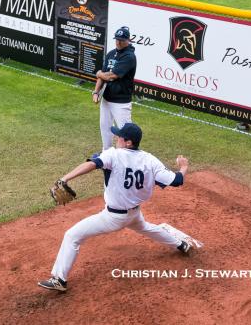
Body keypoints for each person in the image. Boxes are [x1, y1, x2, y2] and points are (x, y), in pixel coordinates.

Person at [38, 123, 191, 292]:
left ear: (128, 142)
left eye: (120, 137)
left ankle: (59, 279)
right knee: (146, 227)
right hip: (134, 214)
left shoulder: (114, 154)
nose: (116, 138)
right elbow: (177, 181)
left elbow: (92, 164)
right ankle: (180, 244)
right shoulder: (150, 159)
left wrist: (65, 178)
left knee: (72, 235)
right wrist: (183, 167)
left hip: (113, 218)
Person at [92, 26, 137, 152]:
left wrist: (99, 73)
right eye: (117, 39)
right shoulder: (111, 53)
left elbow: (111, 76)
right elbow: (103, 76)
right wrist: (96, 91)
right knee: (105, 127)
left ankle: (130, 156)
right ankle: (106, 153)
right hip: (106, 99)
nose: (118, 42)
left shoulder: (129, 57)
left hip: (121, 102)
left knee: (126, 132)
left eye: (121, 40)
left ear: (128, 40)